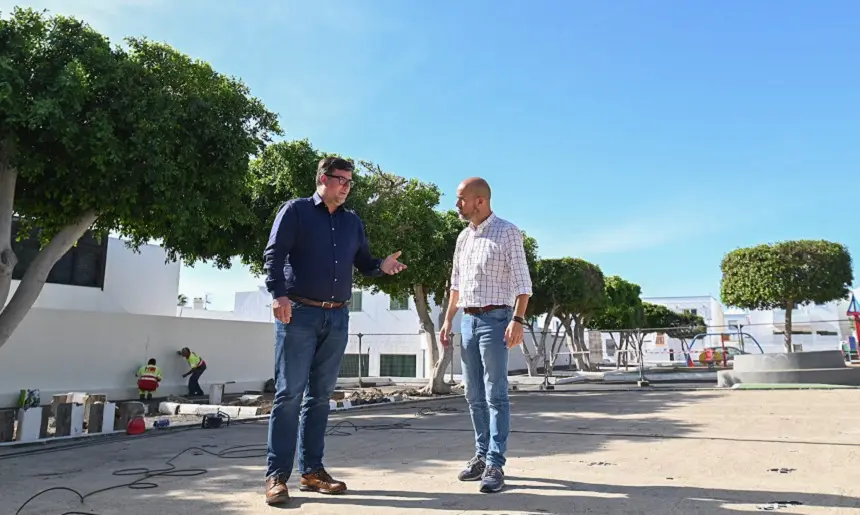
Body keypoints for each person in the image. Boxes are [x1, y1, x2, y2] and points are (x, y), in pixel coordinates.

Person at [262, 157, 407, 505]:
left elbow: (365, 263)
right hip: (298, 315)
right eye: (340, 180)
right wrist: (278, 295)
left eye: (349, 182)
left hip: (337, 318)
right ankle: (276, 476)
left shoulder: (352, 222)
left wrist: (381, 267)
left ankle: (312, 472)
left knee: (320, 398)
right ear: (323, 179)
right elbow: (273, 254)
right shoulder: (295, 211)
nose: (346, 187)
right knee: (288, 396)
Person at [439, 177, 532, 494]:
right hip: (468, 320)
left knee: (496, 394)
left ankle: (496, 462)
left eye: (460, 198)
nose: (456, 204)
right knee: (473, 395)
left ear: (480, 200)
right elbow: (455, 285)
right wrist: (448, 320)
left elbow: (522, 282)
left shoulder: (507, 232)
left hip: (496, 320)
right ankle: (480, 455)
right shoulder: (463, 238)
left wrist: (517, 319)